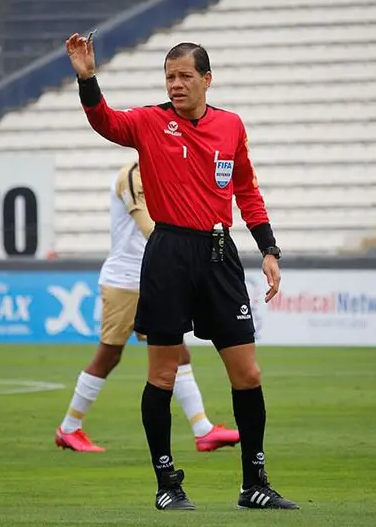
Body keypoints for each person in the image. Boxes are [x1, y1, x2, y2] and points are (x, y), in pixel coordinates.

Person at [65, 32, 298, 511]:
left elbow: (247, 190)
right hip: (168, 254)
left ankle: (254, 484)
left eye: (185, 76)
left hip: (219, 254)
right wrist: (88, 79)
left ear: (207, 80)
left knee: (248, 373)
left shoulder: (231, 126)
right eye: (169, 76)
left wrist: (268, 249)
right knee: (163, 375)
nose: (175, 84)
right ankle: (167, 485)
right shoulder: (150, 122)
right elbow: (105, 121)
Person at [55, 161, 240, 453]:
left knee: (178, 351)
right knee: (109, 354)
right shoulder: (132, 175)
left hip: (156, 276)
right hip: (127, 280)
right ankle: (69, 428)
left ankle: (203, 430)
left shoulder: (166, 170)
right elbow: (148, 228)